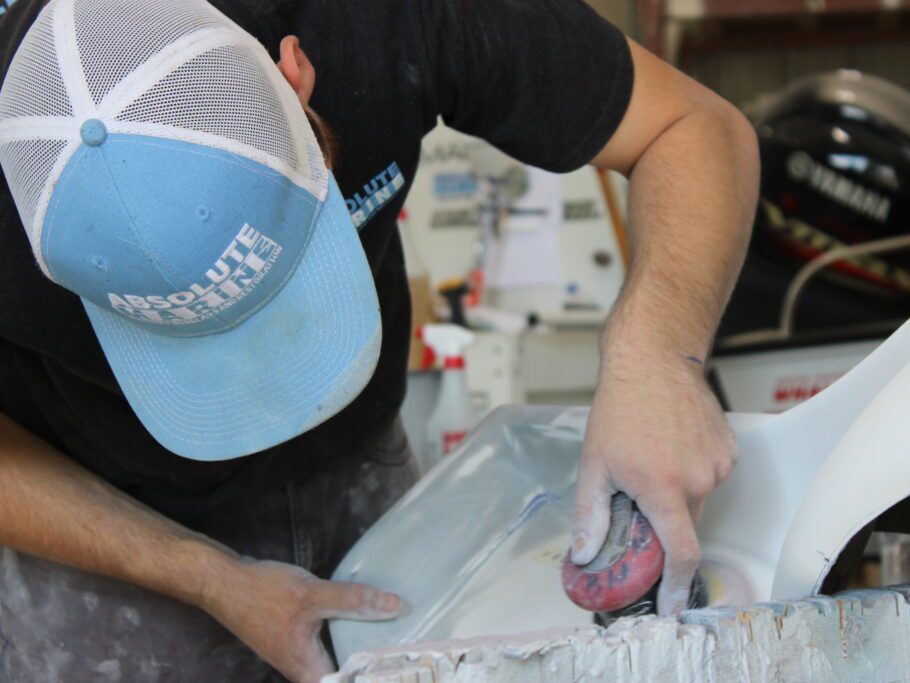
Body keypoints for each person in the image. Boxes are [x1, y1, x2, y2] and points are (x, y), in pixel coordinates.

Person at [0, 0, 758, 681]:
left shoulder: (379, 16)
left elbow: (689, 126)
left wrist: (655, 356)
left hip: (357, 452)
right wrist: (204, 575)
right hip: (99, 511)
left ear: (294, 74)